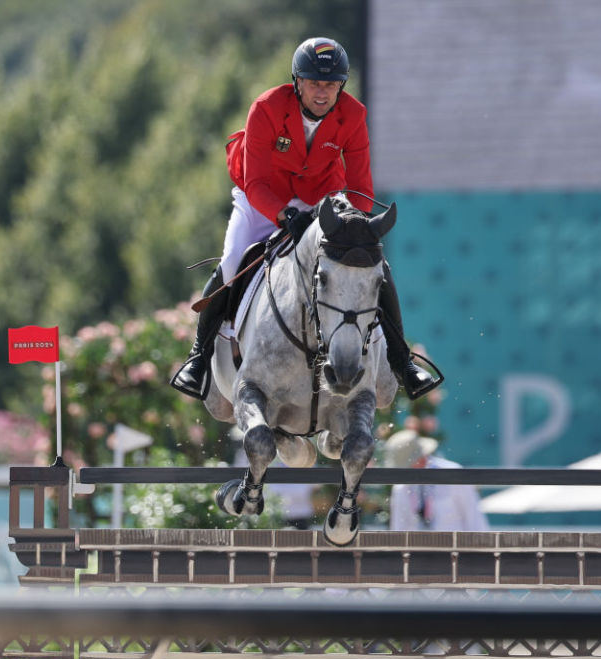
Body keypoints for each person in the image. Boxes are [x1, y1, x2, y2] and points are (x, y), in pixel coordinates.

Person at [170, 37, 440, 402]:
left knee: (374, 263)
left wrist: (356, 231)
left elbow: (360, 187)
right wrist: (285, 216)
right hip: (264, 199)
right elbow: (256, 182)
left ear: (340, 86)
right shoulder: (266, 108)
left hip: (324, 200)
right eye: (314, 82)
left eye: (330, 85)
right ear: (297, 81)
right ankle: (198, 359)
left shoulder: (354, 114)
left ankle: (402, 360)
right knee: (234, 258)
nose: (322, 92)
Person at [385, 430, 489, 532]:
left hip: (455, 546)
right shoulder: (401, 487)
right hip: (416, 547)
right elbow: (398, 528)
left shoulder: (453, 475)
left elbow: (475, 521)